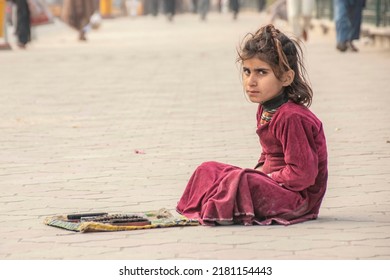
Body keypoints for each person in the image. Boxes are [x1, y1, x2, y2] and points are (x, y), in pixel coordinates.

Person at [177, 24, 328, 226]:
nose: (251, 81)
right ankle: (218, 204)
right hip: (273, 184)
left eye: (262, 73)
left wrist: (263, 178)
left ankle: (221, 207)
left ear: (286, 77)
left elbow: (303, 175)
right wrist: (257, 172)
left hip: (296, 198)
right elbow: (267, 153)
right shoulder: (266, 108)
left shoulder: (292, 117)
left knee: (241, 181)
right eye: (247, 72)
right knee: (208, 169)